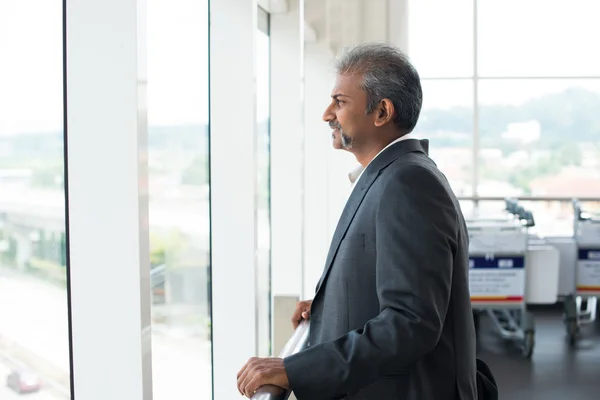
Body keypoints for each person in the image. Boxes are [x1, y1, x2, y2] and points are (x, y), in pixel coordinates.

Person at [237, 43, 478, 400]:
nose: (326, 114)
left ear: (381, 112)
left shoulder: (407, 183)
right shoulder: (392, 176)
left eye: (339, 101)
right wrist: (327, 307)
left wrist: (294, 368)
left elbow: (411, 322)